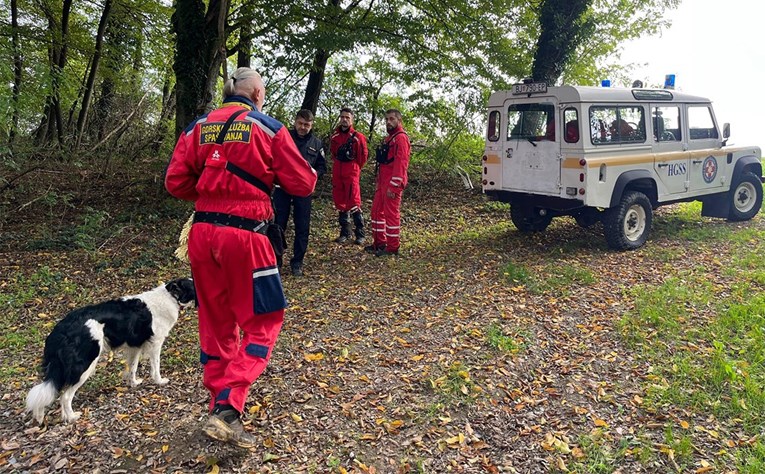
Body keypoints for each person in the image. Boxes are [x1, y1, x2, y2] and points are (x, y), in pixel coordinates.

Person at [164, 67, 316, 448]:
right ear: (257, 93)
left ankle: (219, 405)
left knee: (216, 324)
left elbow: (175, 182)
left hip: (202, 234)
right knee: (264, 319)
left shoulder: (196, 128)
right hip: (247, 235)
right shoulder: (267, 127)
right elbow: (303, 183)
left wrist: (211, 193)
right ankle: (230, 405)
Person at [273, 109, 326, 277]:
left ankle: (297, 262)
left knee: (302, 227)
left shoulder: (317, 144)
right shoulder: (284, 138)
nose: (303, 127)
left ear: (311, 125)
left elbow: (322, 167)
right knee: (278, 225)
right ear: (295, 122)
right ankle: (276, 260)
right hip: (282, 188)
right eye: (300, 124)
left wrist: (313, 176)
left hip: (303, 191)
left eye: (307, 125)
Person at [368, 109, 411, 256]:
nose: (388, 122)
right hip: (383, 182)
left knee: (391, 215)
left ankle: (392, 247)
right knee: (376, 211)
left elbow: (401, 163)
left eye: (392, 119)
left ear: (399, 121)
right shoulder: (389, 138)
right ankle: (379, 243)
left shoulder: (400, 138)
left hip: (392, 183)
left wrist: (394, 186)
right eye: (386, 119)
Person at [329, 108, 368, 244]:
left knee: (354, 202)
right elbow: (333, 153)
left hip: (351, 171)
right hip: (338, 171)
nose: (344, 120)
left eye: (347, 117)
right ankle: (345, 232)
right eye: (342, 117)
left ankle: (360, 233)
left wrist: (355, 168)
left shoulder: (358, 137)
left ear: (352, 120)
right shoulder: (335, 137)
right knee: (340, 202)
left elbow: (362, 157)